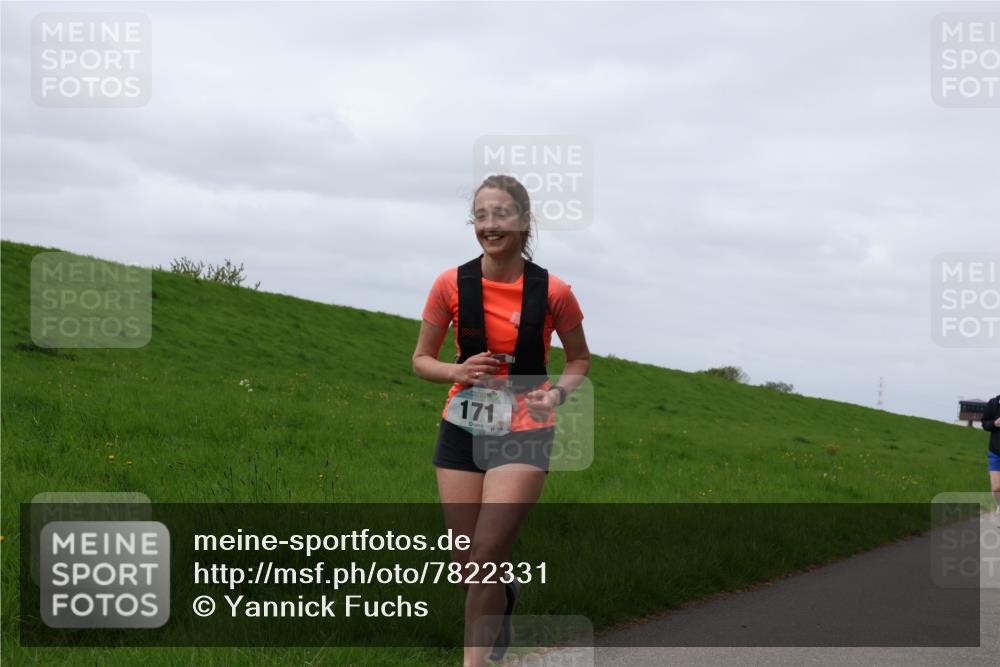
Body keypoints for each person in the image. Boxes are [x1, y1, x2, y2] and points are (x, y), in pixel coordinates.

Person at [412, 174, 591, 666]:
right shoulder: (450, 283)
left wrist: (557, 394)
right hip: (462, 424)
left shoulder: (554, 291)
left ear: (524, 222)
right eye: (482, 215)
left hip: (525, 428)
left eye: (501, 215)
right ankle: (503, 596)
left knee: (487, 551)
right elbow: (421, 359)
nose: (490, 225)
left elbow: (579, 360)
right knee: (468, 563)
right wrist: (456, 369)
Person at [982, 394, 1000, 521]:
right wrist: (995, 423)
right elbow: (984, 424)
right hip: (995, 452)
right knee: (996, 487)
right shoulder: (993, 403)